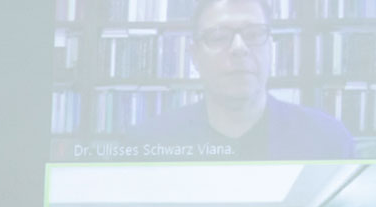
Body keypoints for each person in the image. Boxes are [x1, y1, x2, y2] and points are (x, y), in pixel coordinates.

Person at [130, 0, 354, 160]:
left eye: (254, 34)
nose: (239, 48)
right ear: (195, 56)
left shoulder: (328, 140)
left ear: (270, 48)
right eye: (219, 36)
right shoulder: (147, 143)